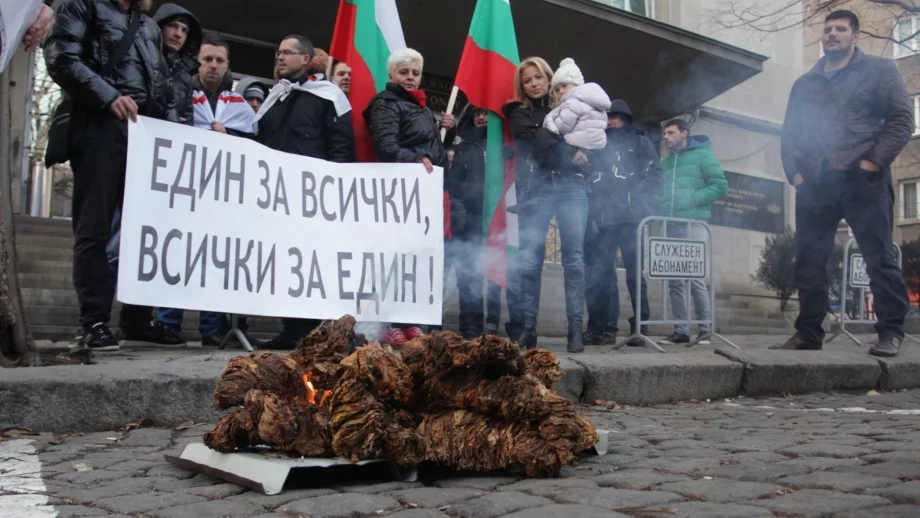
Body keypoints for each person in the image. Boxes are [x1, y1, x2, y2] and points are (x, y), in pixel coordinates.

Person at [776, 10, 913, 357]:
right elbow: (789, 133)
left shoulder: (879, 71)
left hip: (863, 179)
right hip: (815, 181)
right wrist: (796, 175)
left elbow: (902, 119)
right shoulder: (805, 83)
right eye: (828, 30)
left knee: (878, 256)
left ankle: (891, 332)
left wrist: (873, 162)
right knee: (808, 259)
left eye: (840, 29)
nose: (832, 34)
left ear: (856, 36)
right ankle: (808, 332)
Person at [45, 0, 175, 351]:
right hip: (101, 125)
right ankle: (93, 321)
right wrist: (108, 96)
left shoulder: (147, 25)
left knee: (146, 231)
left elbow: (162, 81)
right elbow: (62, 57)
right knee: (96, 226)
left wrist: (172, 131)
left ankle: (137, 319)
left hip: (145, 134)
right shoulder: (80, 4)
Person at [153, 34, 256, 346]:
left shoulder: (238, 105)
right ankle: (168, 322)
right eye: (207, 59)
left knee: (215, 257)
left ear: (227, 65)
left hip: (222, 195)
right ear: (197, 63)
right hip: (183, 190)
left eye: (219, 60)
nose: (213, 65)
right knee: (177, 253)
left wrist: (229, 133)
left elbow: (254, 142)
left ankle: (212, 327)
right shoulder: (180, 93)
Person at [255, 34, 355, 349]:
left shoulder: (328, 97)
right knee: (283, 263)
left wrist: (334, 192)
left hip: (313, 200)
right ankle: (290, 328)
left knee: (312, 264)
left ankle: (313, 331)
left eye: (287, 52)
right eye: (278, 52)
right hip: (275, 199)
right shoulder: (275, 98)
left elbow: (341, 147)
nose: (280, 57)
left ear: (306, 59)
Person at [364, 48, 455, 346]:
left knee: (414, 260)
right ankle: (385, 322)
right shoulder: (386, 103)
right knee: (393, 258)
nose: (410, 77)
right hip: (400, 193)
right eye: (404, 72)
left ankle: (408, 321)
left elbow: (430, 148)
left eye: (415, 73)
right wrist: (415, 159)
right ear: (392, 75)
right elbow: (386, 146)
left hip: (423, 194)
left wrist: (447, 134)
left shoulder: (421, 109)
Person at [503, 57, 590, 353]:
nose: (534, 84)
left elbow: (590, 139)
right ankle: (528, 329)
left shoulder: (571, 104)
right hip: (535, 189)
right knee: (530, 260)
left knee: (574, 260)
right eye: (527, 80)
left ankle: (575, 330)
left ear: (549, 78)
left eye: (538, 77)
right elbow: (533, 143)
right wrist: (569, 150)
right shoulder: (517, 112)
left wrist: (563, 144)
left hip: (571, 186)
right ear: (522, 86)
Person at [584, 100, 662, 346]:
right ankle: (600, 329)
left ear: (625, 118)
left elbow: (655, 174)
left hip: (632, 219)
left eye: (615, 116)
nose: (610, 121)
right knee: (601, 275)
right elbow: (588, 176)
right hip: (604, 220)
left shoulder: (640, 142)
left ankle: (640, 328)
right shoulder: (598, 144)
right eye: (607, 116)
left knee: (634, 275)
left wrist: (638, 198)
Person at [654, 119, 728, 346]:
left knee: (695, 277)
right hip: (670, 224)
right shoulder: (666, 162)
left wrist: (693, 199)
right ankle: (681, 331)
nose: (665, 137)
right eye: (664, 134)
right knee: (675, 280)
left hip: (694, 224)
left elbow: (721, 186)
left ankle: (705, 331)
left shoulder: (704, 156)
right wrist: (657, 205)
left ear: (684, 133)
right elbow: (659, 190)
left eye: (670, 133)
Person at [445, 105, 490, 338]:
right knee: (467, 272)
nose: (481, 117)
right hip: (466, 220)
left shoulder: (499, 147)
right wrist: (458, 210)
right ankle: (466, 327)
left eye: (486, 113)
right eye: (477, 113)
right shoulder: (464, 147)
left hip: (489, 219)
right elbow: (453, 183)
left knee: (476, 274)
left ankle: (475, 326)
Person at [543, 58, 610, 152]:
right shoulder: (595, 100)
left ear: (576, 84)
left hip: (579, 144)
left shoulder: (572, 102)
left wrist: (551, 123)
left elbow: (562, 127)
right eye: (557, 90)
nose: (561, 91)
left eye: (564, 86)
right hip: (598, 144)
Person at [153, 3, 200, 125]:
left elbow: (188, 121)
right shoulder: (143, 61)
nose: (178, 34)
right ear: (159, 27)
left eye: (184, 30)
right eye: (173, 26)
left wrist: (180, 125)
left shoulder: (186, 79)